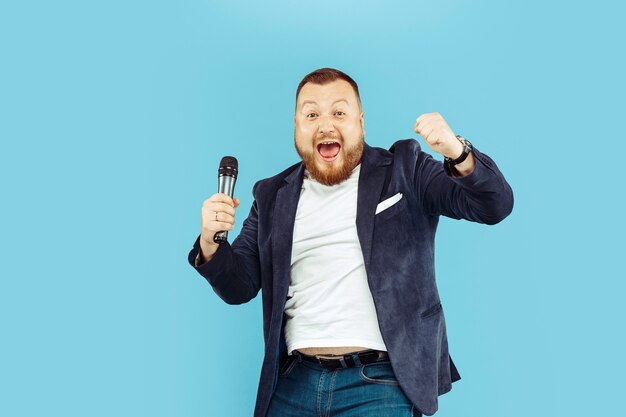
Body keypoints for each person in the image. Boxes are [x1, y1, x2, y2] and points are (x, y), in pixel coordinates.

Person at [187, 68, 514, 417]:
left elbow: (493, 205)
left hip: (379, 383)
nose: (325, 124)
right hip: (294, 384)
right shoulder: (271, 195)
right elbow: (239, 287)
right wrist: (211, 242)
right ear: (297, 126)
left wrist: (457, 152)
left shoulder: (405, 169)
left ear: (360, 122)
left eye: (339, 113)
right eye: (311, 114)